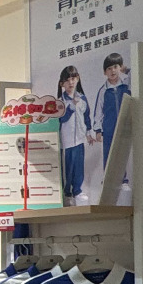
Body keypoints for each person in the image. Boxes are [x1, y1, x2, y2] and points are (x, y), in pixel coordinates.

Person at [92, 51, 131, 187]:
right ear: (105, 72)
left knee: (122, 151)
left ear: (120, 67)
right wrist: (98, 130)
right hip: (109, 127)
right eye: (109, 68)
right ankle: (108, 179)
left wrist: (127, 70)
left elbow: (137, 77)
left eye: (115, 67)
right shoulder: (103, 91)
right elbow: (98, 111)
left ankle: (123, 179)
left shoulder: (126, 85)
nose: (113, 71)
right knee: (108, 152)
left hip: (124, 124)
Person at [57, 65, 91, 204]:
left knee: (78, 166)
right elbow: (61, 119)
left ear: (78, 79)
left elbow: (86, 116)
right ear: (62, 84)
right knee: (68, 168)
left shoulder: (82, 98)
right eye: (67, 80)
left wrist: (88, 132)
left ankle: (77, 190)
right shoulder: (60, 101)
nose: (71, 82)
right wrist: (71, 106)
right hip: (66, 141)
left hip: (79, 139)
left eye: (73, 78)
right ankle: (67, 192)